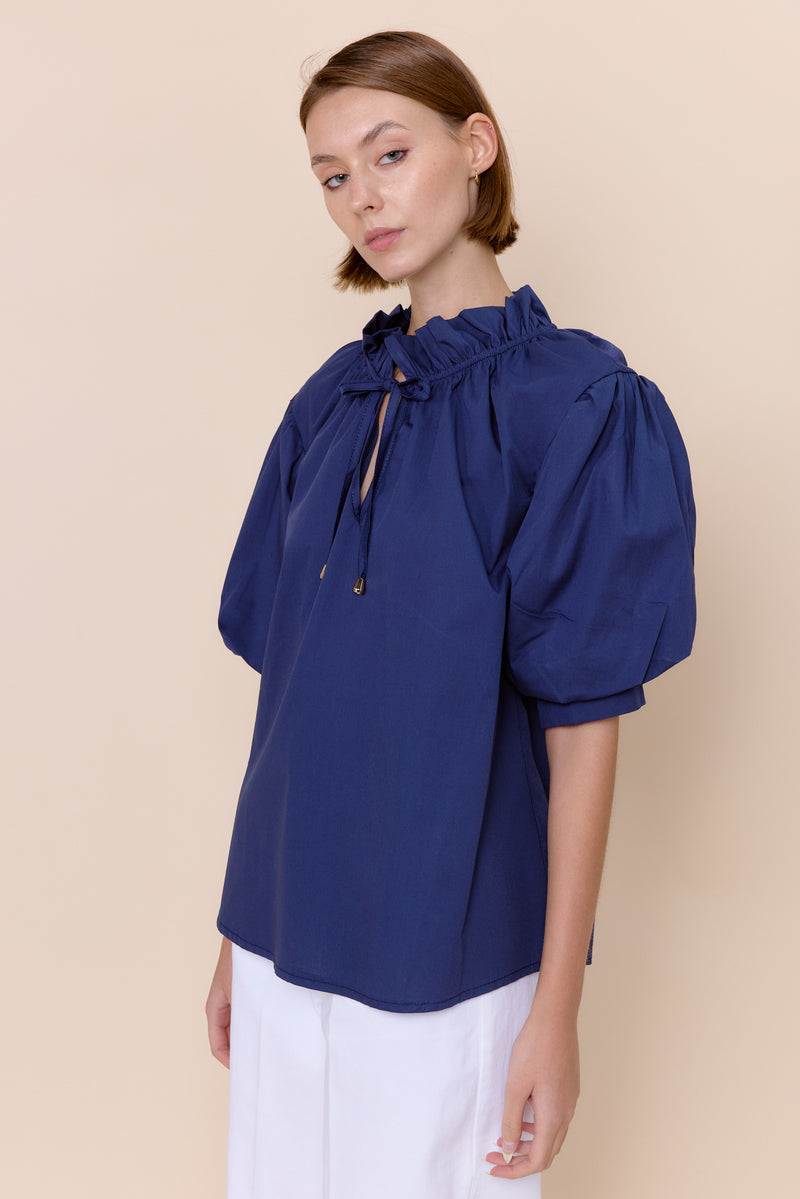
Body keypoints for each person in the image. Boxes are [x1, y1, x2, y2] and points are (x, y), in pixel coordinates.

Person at [205, 29, 696, 1199]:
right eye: (332, 175)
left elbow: (582, 722)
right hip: (281, 935)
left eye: (389, 154)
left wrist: (554, 1011)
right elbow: (289, 700)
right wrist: (233, 934)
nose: (362, 198)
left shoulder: (576, 403)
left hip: (452, 951)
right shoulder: (329, 403)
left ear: (475, 146)